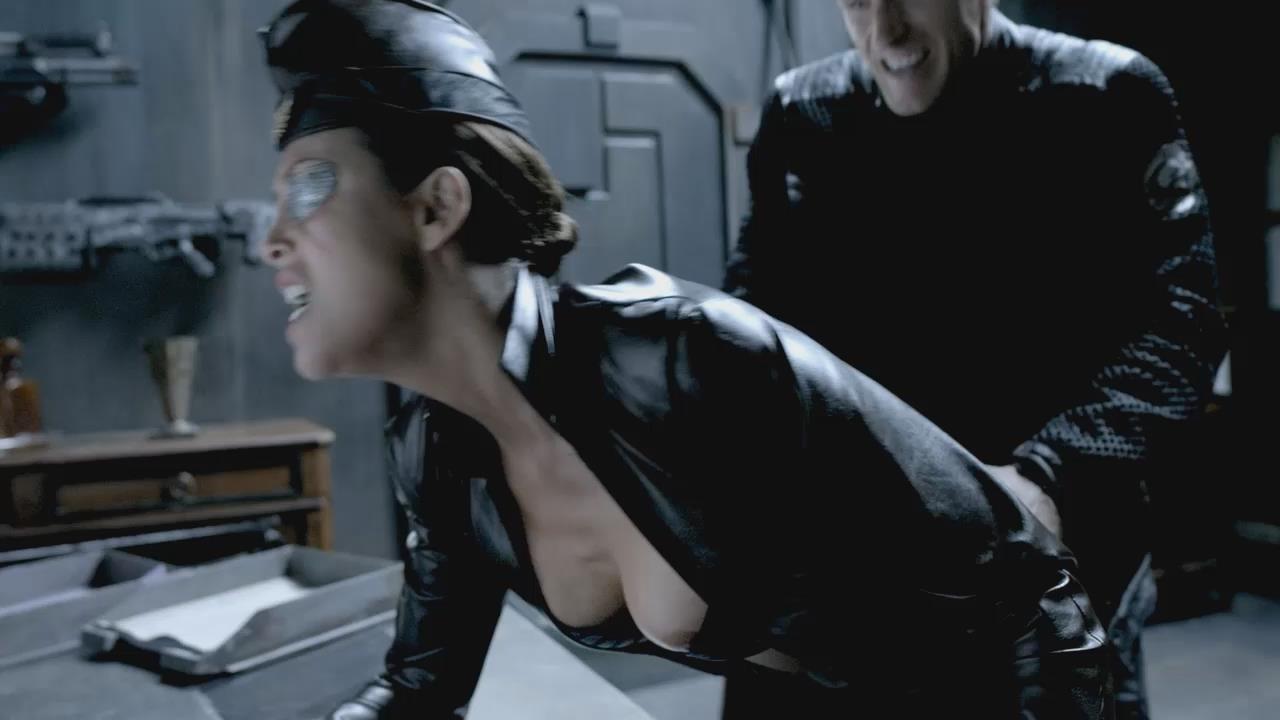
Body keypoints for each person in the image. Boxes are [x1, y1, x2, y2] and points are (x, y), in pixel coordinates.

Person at [259, 1, 1113, 717]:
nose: (272, 242)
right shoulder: (435, 452)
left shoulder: (686, 355)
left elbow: (1034, 586)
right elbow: (419, 691)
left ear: (436, 207)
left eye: (310, 185)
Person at [723, 1, 1228, 718]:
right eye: (858, 0)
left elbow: (1186, 322)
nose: (887, 31)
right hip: (859, 571)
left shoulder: (1106, 95)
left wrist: (1051, 473)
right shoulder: (804, 112)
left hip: (1054, 566)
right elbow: (755, 320)